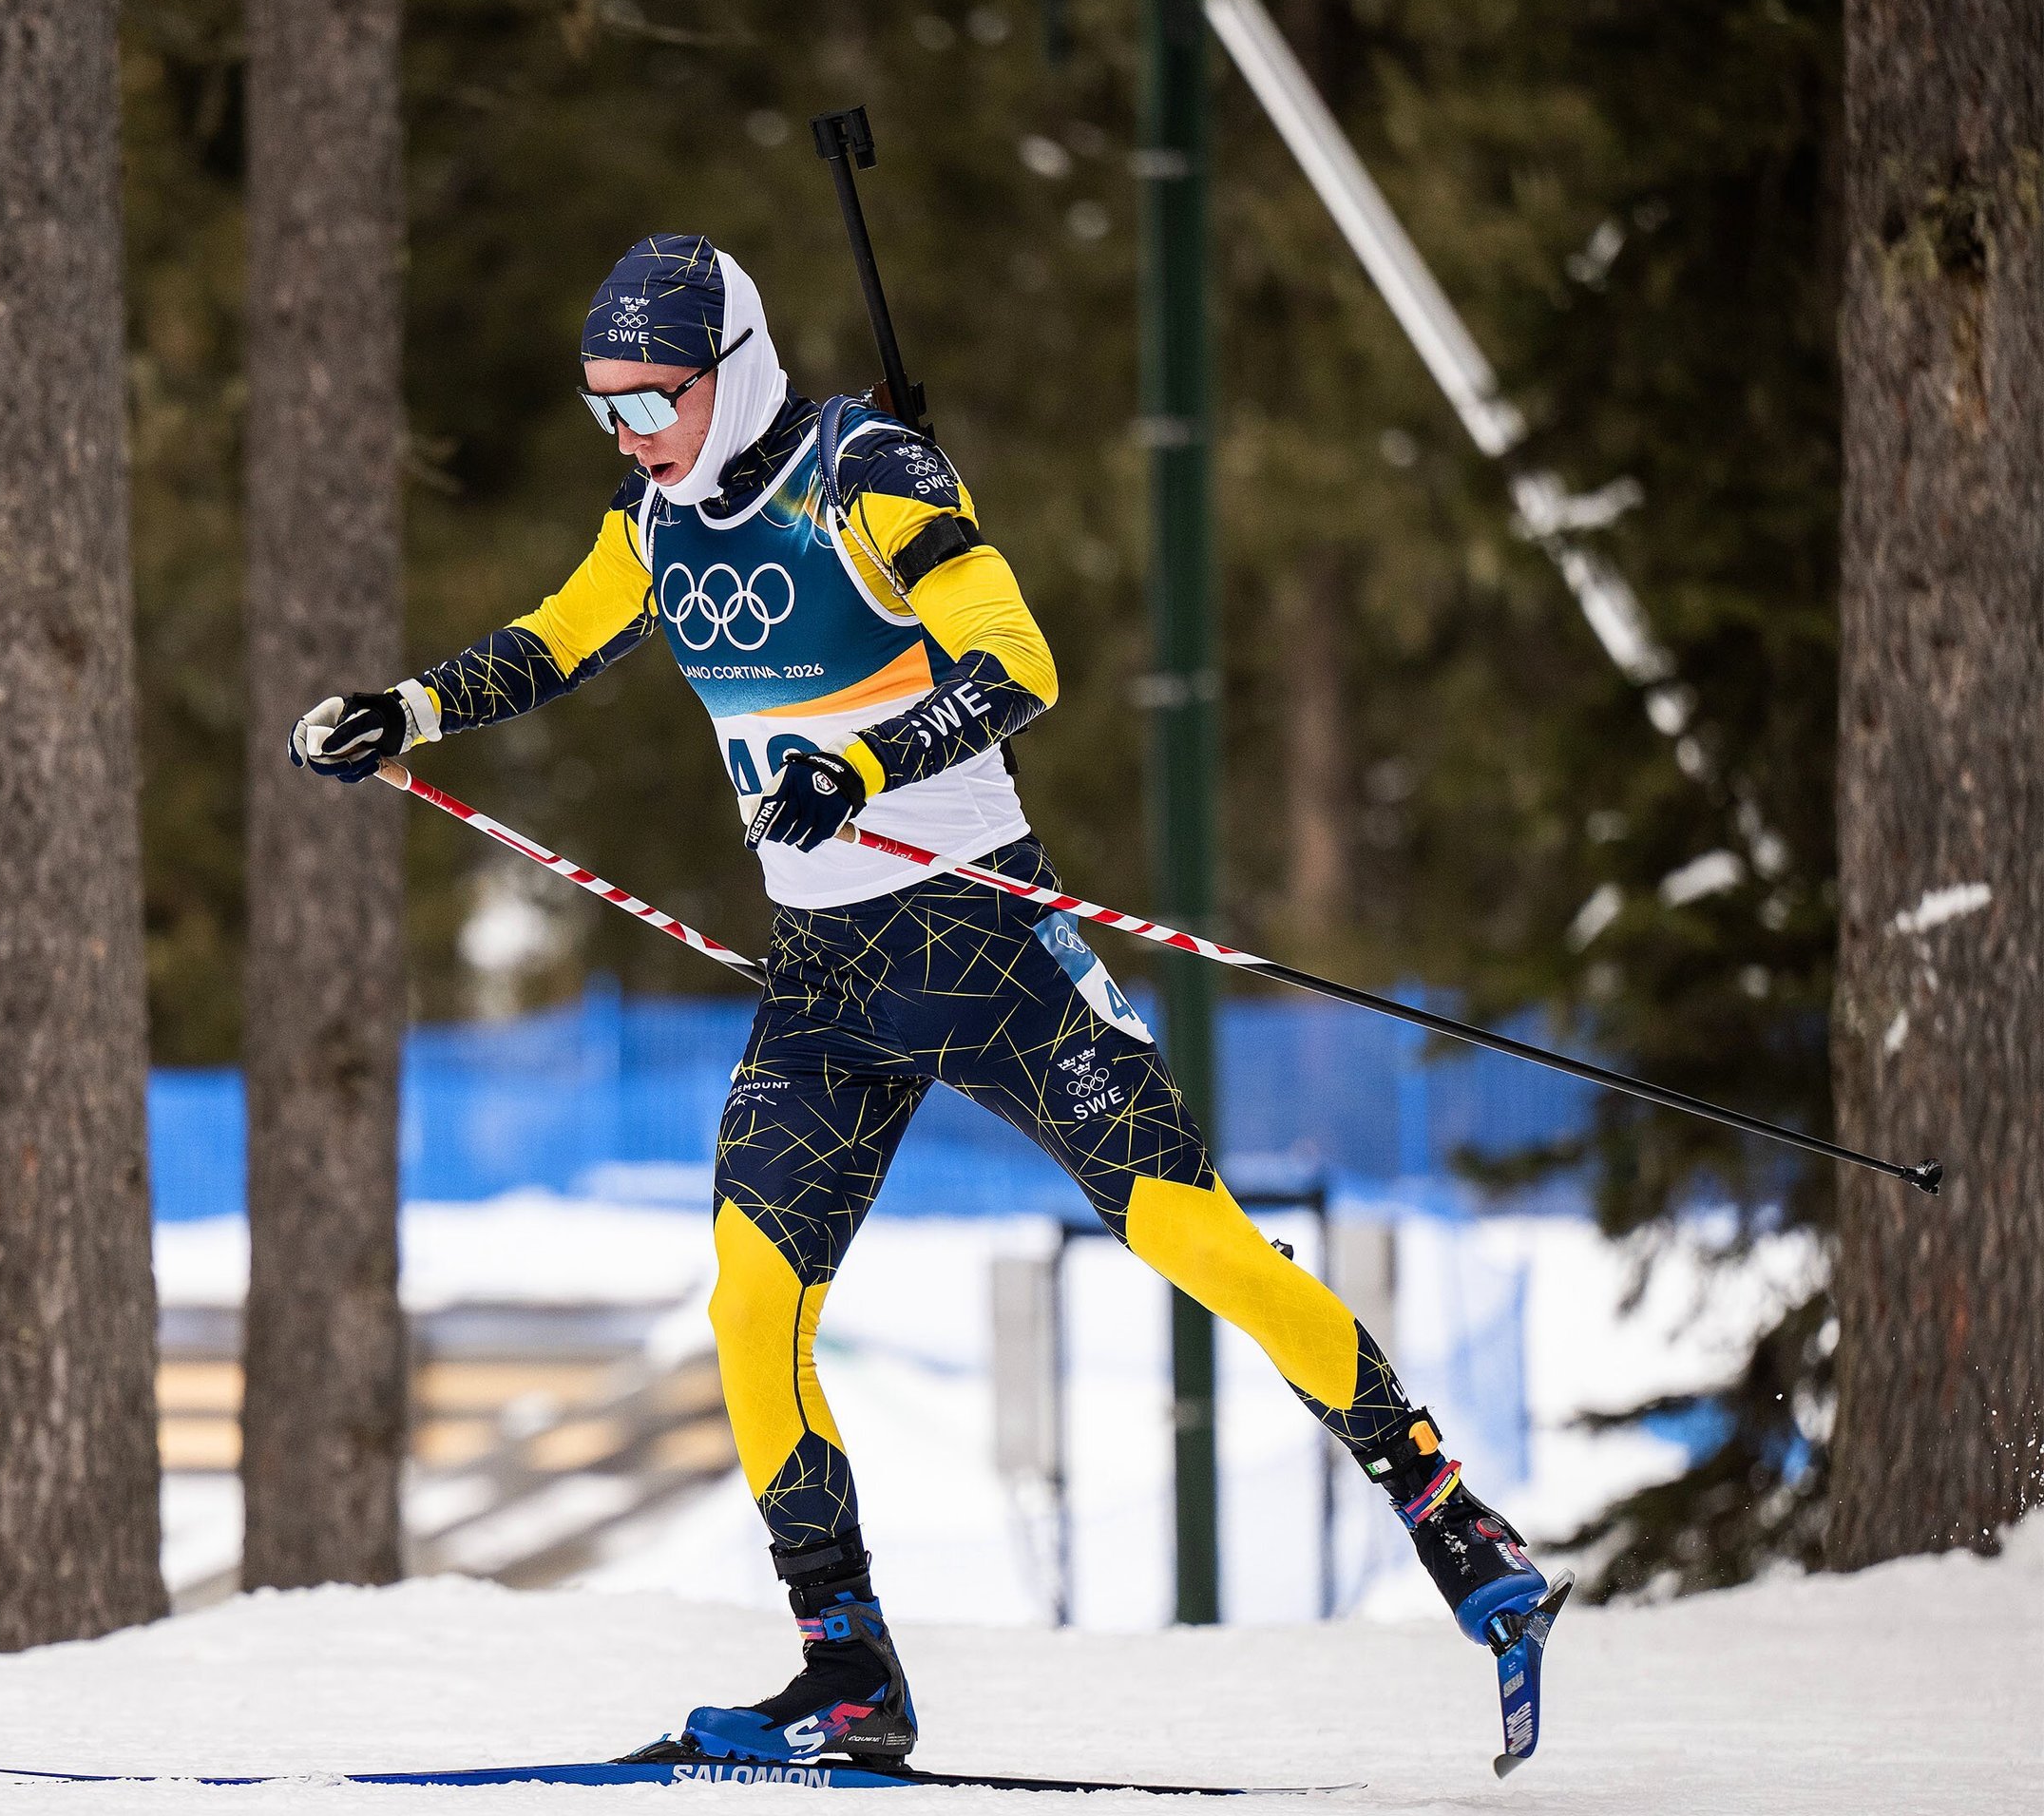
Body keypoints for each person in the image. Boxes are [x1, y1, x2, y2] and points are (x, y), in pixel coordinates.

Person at [288, 235, 1552, 1768]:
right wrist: (404, 711)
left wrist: (864, 764)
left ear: (731, 370)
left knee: (1191, 1237)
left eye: (653, 404)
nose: (630, 438)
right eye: (602, 409)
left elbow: (1020, 664)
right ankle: (849, 1676)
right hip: (821, 987)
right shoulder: (652, 522)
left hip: (982, 952)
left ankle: (1456, 1524)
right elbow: (556, 637)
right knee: (753, 1310)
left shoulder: (865, 471)